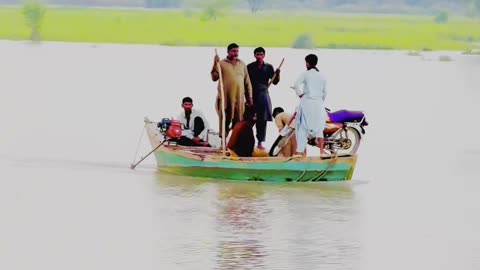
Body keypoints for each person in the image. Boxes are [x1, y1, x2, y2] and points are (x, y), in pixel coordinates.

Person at [211, 43, 253, 139]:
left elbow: (247, 82)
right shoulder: (221, 63)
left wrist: (250, 96)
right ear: (228, 52)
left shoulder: (242, 64)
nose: (236, 53)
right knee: (225, 119)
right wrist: (214, 63)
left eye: (237, 51)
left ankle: (235, 144)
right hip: (226, 97)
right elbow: (214, 77)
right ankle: (223, 143)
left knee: (238, 121)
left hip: (239, 98)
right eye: (234, 51)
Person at [291, 54, 328, 157]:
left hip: (307, 103)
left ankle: (299, 152)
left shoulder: (305, 74)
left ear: (307, 63)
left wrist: (300, 95)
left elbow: (296, 85)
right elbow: (325, 92)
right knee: (319, 127)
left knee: (302, 126)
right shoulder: (322, 76)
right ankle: (321, 151)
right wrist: (320, 100)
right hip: (319, 104)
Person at [247, 47, 281, 150]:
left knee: (262, 120)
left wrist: (277, 74)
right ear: (254, 55)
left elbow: (274, 82)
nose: (259, 56)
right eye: (257, 54)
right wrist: (248, 97)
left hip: (263, 95)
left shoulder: (269, 67)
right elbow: (246, 82)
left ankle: (260, 143)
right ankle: (246, 142)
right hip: (252, 94)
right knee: (249, 120)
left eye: (261, 54)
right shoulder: (249, 67)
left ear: (264, 55)